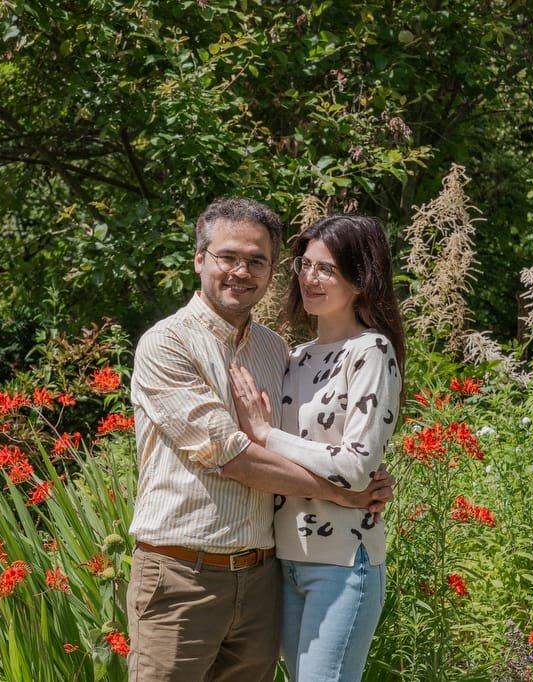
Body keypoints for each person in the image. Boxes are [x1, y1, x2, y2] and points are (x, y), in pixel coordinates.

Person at [128, 198, 394, 682]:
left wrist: (362, 475)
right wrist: (343, 492)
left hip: (264, 578)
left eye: (257, 261)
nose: (240, 271)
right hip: (183, 576)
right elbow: (229, 456)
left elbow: (321, 441)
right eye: (227, 256)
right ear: (199, 258)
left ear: (271, 270)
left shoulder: (276, 351)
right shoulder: (167, 343)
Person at [228, 214, 405, 682]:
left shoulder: (371, 352)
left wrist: (267, 434)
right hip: (284, 560)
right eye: (305, 266)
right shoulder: (296, 358)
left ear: (361, 277)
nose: (310, 278)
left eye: (326, 268)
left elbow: (355, 467)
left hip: (343, 563)